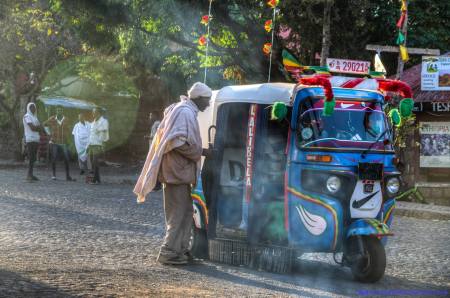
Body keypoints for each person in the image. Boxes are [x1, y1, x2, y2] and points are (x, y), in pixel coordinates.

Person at [134, 82, 211, 265]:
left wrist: (201, 151)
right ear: (198, 98)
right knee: (177, 214)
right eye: (207, 101)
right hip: (175, 173)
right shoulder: (184, 112)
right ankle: (168, 252)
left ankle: (180, 251)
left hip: (179, 173)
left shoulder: (185, 110)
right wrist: (199, 151)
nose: (208, 105)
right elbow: (175, 142)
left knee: (185, 213)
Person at [44, 106, 73, 181]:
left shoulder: (66, 119)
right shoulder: (52, 118)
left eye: (60, 110)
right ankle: (54, 175)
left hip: (63, 142)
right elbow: (44, 124)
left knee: (66, 159)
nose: (59, 111)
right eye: (58, 110)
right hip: (54, 142)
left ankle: (68, 176)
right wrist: (49, 134)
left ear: (62, 111)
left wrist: (68, 139)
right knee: (54, 158)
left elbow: (69, 130)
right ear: (56, 111)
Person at [23, 102, 44, 181]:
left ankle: (31, 174)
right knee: (31, 157)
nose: (33, 108)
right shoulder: (26, 116)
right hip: (30, 139)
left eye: (34, 107)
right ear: (28, 108)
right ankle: (28, 175)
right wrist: (40, 127)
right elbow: (32, 128)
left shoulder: (35, 117)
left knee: (34, 158)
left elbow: (40, 128)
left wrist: (40, 128)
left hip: (36, 139)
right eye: (31, 107)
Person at [87, 108, 109, 184]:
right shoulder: (93, 122)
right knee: (93, 162)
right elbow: (91, 134)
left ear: (99, 113)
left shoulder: (103, 121)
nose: (93, 114)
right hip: (91, 144)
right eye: (93, 112)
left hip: (98, 144)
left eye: (95, 112)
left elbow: (104, 133)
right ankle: (98, 179)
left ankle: (94, 180)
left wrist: (103, 143)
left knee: (94, 162)